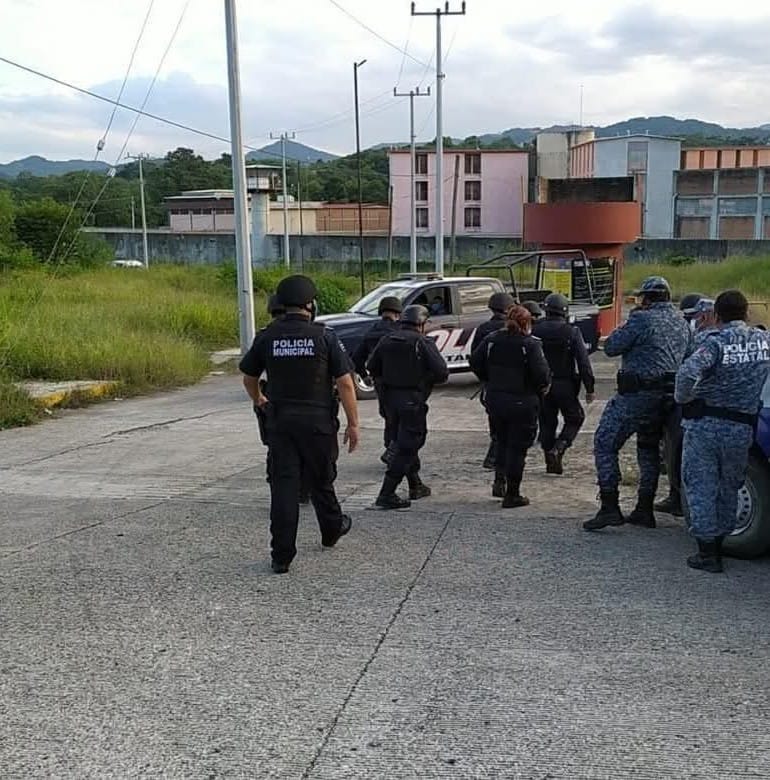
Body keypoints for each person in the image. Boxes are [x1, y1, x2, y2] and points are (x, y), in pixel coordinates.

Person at [239, 274, 360, 574]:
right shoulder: (325, 337)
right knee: (321, 479)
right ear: (310, 304)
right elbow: (345, 384)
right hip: (318, 423)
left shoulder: (267, 336)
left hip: (281, 423)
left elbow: (249, 377)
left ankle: (281, 556)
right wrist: (353, 424)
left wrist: (259, 399)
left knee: (283, 487)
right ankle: (331, 529)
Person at [584, 276, 691, 531]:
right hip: (666, 398)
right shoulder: (681, 322)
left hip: (636, 395)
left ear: (648, 298)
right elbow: (688, 355)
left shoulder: (641, 319)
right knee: (648, 449)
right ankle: (644, 508)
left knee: (605, 443)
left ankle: (610, 507)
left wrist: (628, 321)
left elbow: (611, 347)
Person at [676, 290, 770, 573]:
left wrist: (683, 399)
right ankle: (721, 540)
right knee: (730, 485)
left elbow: (687, 373)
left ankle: (707, 553)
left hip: (706, 426)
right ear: (747, 313)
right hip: (742, 426)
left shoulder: (715, 342)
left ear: (717, 314)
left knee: (702, 485)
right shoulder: (763, 341)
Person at [367, 304, 449, 509]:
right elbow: (442, 373)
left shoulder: (387, 340)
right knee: (407, 446)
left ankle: (415, 485)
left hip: (390, 401)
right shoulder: (423, 342)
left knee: (402, 441)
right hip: (412, 401)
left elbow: (371, 366)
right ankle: (387, 493)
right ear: (421, 324)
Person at [470, 304, 551, 507]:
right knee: (517, 448)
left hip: (496, 399)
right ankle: (513, 493)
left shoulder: (492, 339)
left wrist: (489, 379)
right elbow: (541, 374)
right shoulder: (530, 344)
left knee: (500, 440)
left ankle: (499, 482)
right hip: (522, 401)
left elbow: (475, 362)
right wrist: (541, 387)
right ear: (527, 323)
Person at [654, 293, 708, 516]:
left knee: (677, 450)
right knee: (673, 450)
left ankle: (679, 498)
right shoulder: (689, 331)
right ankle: (676, 496)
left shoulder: (704, 338)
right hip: (687, 402)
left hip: (688, 403)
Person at [533, 293, 595, 475]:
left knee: (546, 422)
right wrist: (589, 388)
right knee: (575, 418)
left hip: (542, 385)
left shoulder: (536, 330)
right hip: (565, 384)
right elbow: (583, 362)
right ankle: (559, 447)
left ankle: (549, 459)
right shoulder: (572, 331)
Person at [352, 296, 403, 465]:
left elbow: (357, 359)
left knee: (389, 416)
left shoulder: (371, 332)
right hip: (400, 383)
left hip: (380, 382)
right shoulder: (400, 331)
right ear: (397, 313)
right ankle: (394, 450)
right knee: (404, 418)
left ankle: (390, 446)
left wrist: (365, 376)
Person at [471, 292, 516, 470]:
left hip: (491, 384)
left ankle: (495, 456)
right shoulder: (512, 328)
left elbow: (474, 358)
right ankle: (496, 459)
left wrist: (484, 377)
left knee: (495, 420)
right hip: (512, 385)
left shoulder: (484, 328)